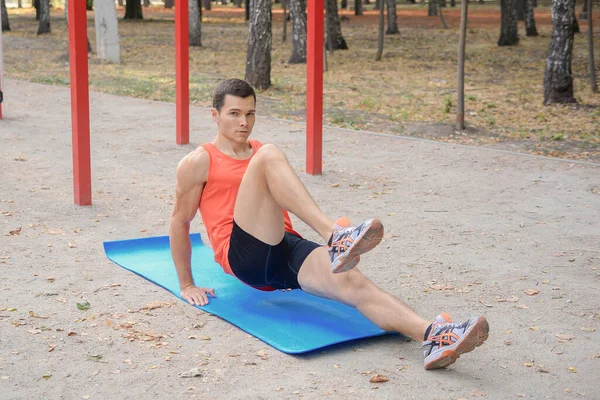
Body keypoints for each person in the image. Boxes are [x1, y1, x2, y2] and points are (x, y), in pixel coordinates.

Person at [169, 78, 489, 370]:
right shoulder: (200, 161)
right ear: (214, 115)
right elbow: (179, 221)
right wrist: (187, 284)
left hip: (284, 247)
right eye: (234, 114)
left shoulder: (258, 151)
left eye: (250, 114)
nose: (244, 122)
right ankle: (335, 236)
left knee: (355, 285)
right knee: (267, 156)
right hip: (243, 256)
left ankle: (434, 337)